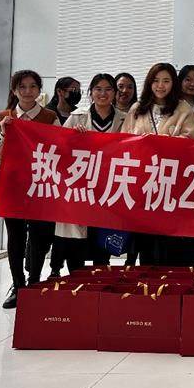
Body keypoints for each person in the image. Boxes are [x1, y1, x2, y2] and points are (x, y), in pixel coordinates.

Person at [0, 70, 61, 308]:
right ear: (14, 90)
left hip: (40, 185)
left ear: (39, 90)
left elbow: (60, 150)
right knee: (15, 235)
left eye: (32, 86)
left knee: (39, 234)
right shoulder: (4, 117)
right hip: (11, 185)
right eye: (22, 86)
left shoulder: (50, 117)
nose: (28, 91)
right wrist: (4, 132)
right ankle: (17, 284)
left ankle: (34, 282)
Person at [51, 73, 127, 276]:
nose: (103, 94)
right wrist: (72, 138)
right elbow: (58, 149)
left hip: (108, 189)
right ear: (91, 92)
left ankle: (99, 285)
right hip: (81, 189)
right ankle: (77, 285)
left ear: (115, 93)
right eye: (98, 89)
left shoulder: (125, 119)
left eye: (108, 89)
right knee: (76, 243)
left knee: (102, 242)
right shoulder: (76, 117)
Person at [123, 63, 194, 265]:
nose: (160, 86)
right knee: (146, 238)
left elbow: (189, 142)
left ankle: (170, 279)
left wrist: (161, 142)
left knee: (169, 239)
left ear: (173, 84)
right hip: (143, 183)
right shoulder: (137, 109)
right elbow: (124, 141)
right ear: (149, 83)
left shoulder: (183, 109)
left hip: (170, 182)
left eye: (166, 81)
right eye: (156, 81)